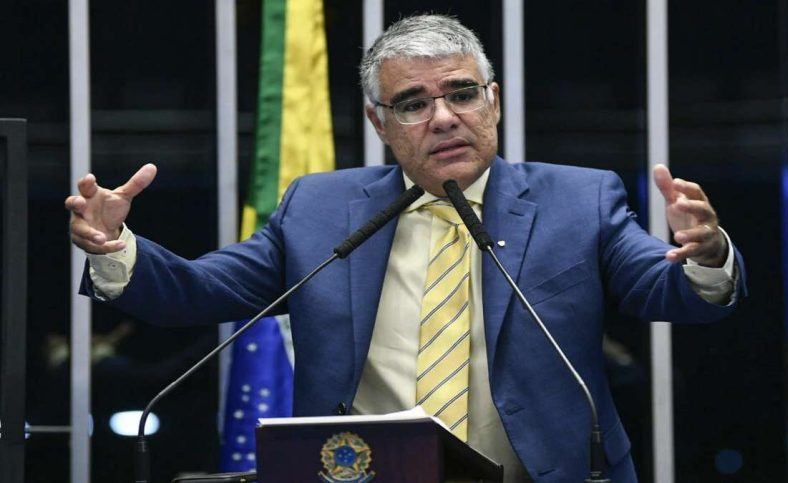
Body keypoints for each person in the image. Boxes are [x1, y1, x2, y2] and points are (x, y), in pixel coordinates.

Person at [67, 14, 746, 482]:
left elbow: (664, 288)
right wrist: (114, 245)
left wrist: (706, 256)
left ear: (495, 101)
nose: (445, 116)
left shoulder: (579, 200)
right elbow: (200, 290)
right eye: (414, 102)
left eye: (462, 93)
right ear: (379, 122)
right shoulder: (321, 208)